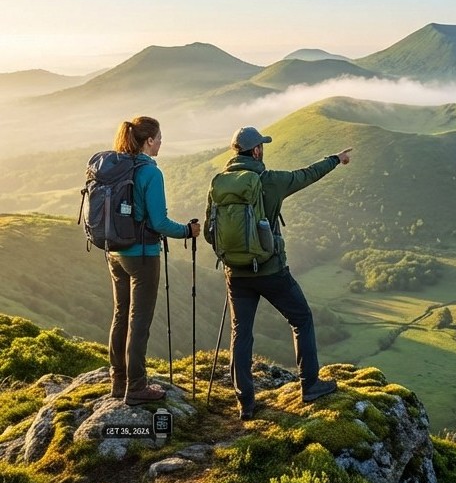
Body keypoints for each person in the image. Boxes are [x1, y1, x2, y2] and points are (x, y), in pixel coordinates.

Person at [219, 126, 351, 419]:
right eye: (261, 146)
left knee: (241, 333)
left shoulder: (219, 184)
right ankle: (310, 385)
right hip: (271, 270)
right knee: (301, 318)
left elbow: (210, 231)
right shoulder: (271, 181)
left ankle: (245, 403)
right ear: (256, 151)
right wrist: (335, 159)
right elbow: (307, 175)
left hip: (236, 273)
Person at [107, 117, 200, 404]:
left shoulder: (117, 166)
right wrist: (187, 230)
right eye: (159, 137)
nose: (161, 142)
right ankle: (136, 388)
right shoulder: (150, 173)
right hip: (143, 256)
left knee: (121, 315)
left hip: (115, 252)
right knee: (139, 321)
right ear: (149, 140)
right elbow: (159, 222)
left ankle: (117, 381)